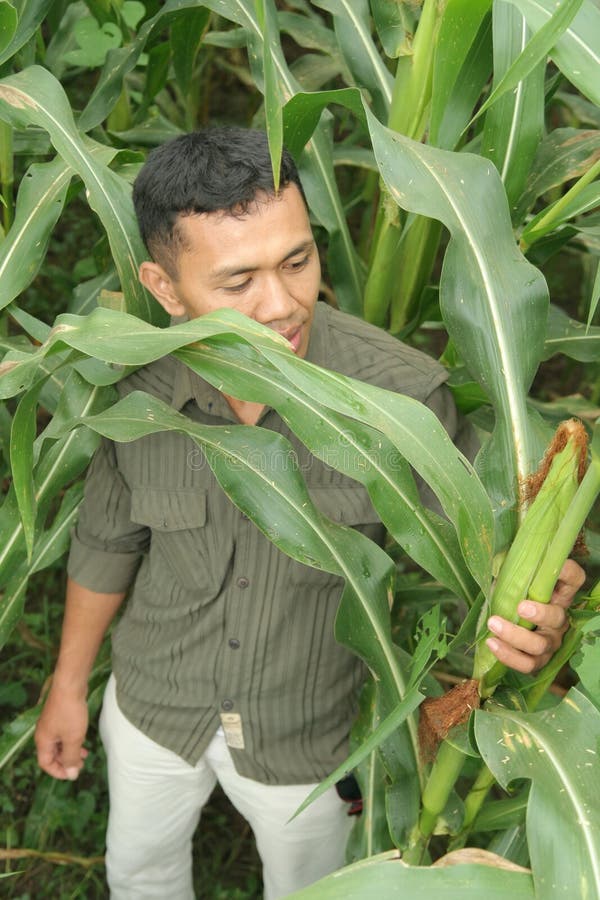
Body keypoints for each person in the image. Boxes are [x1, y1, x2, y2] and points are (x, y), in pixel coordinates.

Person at [34, 128, 585, 899]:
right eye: (237, 281)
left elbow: (494, 546)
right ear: (164, 287)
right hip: (155, 708)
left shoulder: (398, 402)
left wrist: (538, 595)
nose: (282, 304)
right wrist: (67, 685)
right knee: (140, 875)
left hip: (311, 740)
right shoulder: (133, 388)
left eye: (297, 260)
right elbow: (105, 543)